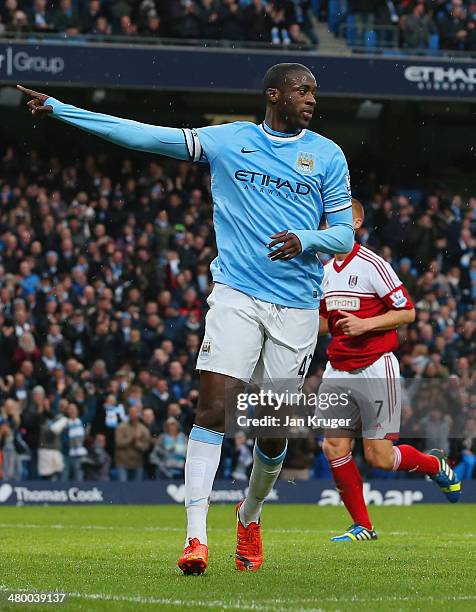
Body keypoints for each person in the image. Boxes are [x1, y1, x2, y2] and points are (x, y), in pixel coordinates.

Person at [18, 62, 354, 574]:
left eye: (314, 91)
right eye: (301, 90)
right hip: (236, 294)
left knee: (272, 431)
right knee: (213, 409)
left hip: (298, 307)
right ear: (274, 94)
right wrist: (63, 109)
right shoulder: (229, 140)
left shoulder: (327, 155)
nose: (312, 98)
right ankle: (196, 539)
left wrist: (305, 239)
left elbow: (344, 236)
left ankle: (250, 515)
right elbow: (145, 137)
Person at [319, 199, 461, 542]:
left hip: (375, 367)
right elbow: (325, 322)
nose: (327, 226)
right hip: (338, 367)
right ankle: (363, 526)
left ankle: (433, 466)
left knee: (379, 457)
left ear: (355, 223)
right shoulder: (323, 271)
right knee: (333, 447)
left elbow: (407, 312)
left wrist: (365, 324)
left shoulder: (373, 264)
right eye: (325, 221)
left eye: (335, 219)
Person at [114, 405, 151, 481]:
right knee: (123, 489)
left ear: (138, 414)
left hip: (137, 464)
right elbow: (118, 443)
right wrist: (131, 439)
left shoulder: (144, 429)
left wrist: (137, 443)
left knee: (136, 490)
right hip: (122, 463)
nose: (133, 415)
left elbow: (146, 447)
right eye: (131, 412)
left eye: (135, 413)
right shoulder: (121, 427)